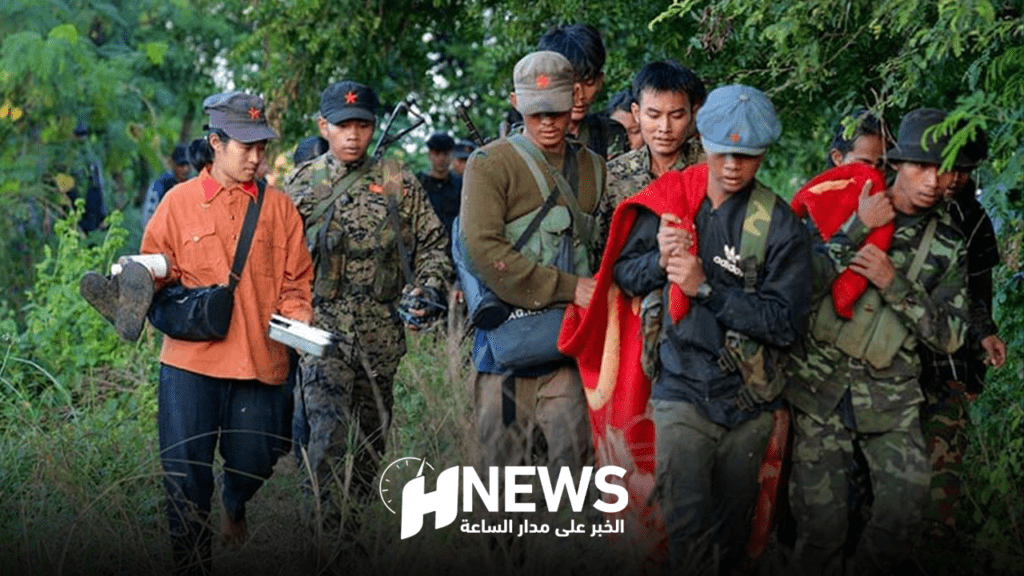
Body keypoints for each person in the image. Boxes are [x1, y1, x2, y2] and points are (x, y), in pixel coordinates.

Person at [608, 84, 811, 571]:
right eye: (724, 152)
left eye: (747, 155)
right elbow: (623, 274)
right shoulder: (671, 200)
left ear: (762, 155)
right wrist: (661, 259)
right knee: (687, 529)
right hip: (680, 391)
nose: (733, 166)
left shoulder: (780, 226)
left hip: (749, 401)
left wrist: (706, 290)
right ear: (705, 139)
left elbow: (785, 325)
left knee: (735, 536)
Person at [786, 108, 969, 575]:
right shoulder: (839, 202)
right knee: (820, 529)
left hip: (890, 398)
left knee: (904, 509)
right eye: (921, 166)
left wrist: (895, 284)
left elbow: (950, 336)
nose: (932, 179)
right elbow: (795, 290)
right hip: (819, 389)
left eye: (944, 168)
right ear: (896, 165)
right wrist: (856, 229)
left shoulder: (947, 244)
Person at [140, 91, 314, 575]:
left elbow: (296, 280)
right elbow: (156, 269)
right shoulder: (177, 204)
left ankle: (234, 502)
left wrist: (298, 316)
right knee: (185, 479)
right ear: (215, 143)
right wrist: (134, 281)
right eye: (245, 147)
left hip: (259, 361)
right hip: (189, 364)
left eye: (262, 147)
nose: (256, 158)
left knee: (256, 458)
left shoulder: (279, 209)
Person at [282, 80, 450, 530]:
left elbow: (434, 245)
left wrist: (427, 288)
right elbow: (274, 257)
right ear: (324, 127)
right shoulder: (300, 184)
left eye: (361, 125)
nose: (352, 135)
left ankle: (352, 533)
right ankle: (323, 538)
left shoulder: (398, 180)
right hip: (321, 337)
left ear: (374, 127)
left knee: (372, 447)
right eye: (342, 126)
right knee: (327, 442)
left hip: (380, 341)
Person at [461, 50, 604, 489]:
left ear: (576, 98)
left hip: (568, 349)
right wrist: (569, 287)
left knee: (576, 476)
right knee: (501, 485)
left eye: (557, 109)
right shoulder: (490, 164)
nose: (547, 121)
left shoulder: (593, 168)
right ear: (515, 102)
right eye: (535, 110)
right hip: (504, 348)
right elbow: (480, 249)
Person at [917, 125, 1006, 543]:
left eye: (964, 170)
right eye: (947, 168)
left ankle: (938, 539)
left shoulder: (974, 217)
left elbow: (980, 287)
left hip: (953, 351)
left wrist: (979, 358)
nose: (954, 179)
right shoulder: (906, 208)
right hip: (897, 356)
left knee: (946, 449)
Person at [601, 60, 706, 254]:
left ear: (692, 113)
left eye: (676, 116)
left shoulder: (709, 168)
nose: (664, 128)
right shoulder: (613, 175)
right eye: (654, 115)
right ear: (637, 113)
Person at [537, 24, 627, 159]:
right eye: (569, 83)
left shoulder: (609, 133)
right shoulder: (528, 136)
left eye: (588, 82)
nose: (580, 96)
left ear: (600, 81)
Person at [417, 131, 462, 251]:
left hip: (454, 249)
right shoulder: (418, 184)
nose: (441, 158)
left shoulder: (461, 184)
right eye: (437, 153)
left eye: (445, 153)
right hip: (424, 249)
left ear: (452, 155)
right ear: (430, 154)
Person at [142, 144, 192, 226]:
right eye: (181, 165)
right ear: (173, 164)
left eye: (187, 164)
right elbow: (149, 216)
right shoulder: (159, 186)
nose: (185, 169)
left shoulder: (194, 185)